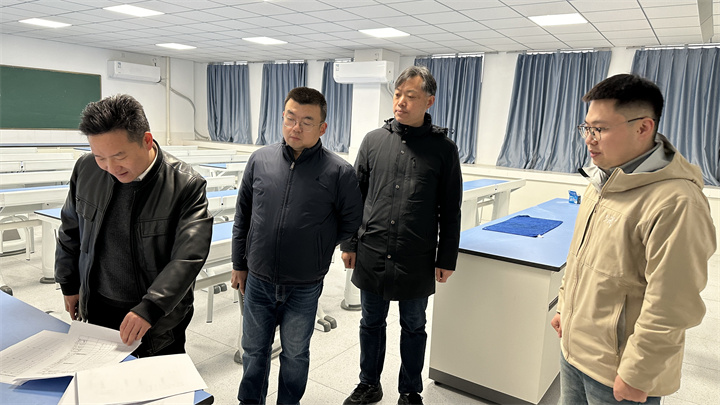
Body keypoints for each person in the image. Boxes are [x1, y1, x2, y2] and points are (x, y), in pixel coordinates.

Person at [551, 74, 716, 404]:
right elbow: (580, 257)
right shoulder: (601, 182)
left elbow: (673, 303)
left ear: (643, 127)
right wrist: (565, 305)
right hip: (574, 350)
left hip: (619, 371)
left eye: (600, 129)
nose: (589, 140)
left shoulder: (676, 202)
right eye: (586, 128)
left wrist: (639, 373)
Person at [230, 86, 363, 405]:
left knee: (294, 354)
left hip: (304, 285)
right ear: (282, 118)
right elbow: (243, 215)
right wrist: (238, 263)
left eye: (306, 121)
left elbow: (351, 221)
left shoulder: (338, 171)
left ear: (322, 128)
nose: (295, 127)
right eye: (290, 118)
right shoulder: (260, 160)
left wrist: (318, 245)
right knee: (254, 352)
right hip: (258, 279)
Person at [55, 94, 213, 357]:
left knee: (156, 379)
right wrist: (69, 284)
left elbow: (188, 257)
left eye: (119, 156)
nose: (110, 167)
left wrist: (151, 307)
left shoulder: (185, 184)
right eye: (100, 157)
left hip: (156, 317)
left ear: (146, 140)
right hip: (98, 304)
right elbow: (70, 229)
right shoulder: (86, 169)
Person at [341, 66, 463, 405]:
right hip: (372, 250)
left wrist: (446, 257)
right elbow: (355, 198)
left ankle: (410, 391)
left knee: (413, 325)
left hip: (416, 255)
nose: (401, 102)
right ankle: (369, 384)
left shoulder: (443, 149)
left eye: (410, 96)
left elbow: (450, 209)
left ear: (429, 101)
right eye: (397, 95)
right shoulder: (373, 141)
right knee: (371, 322)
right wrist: (349, 243)